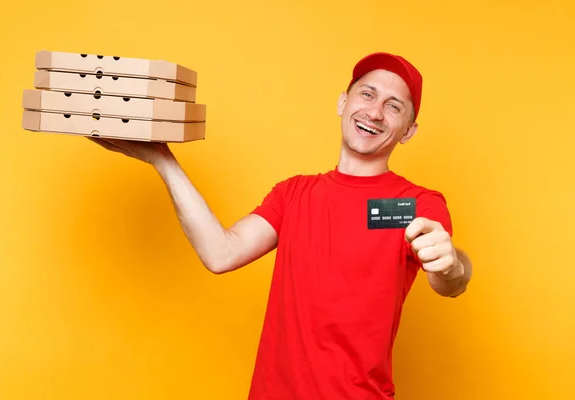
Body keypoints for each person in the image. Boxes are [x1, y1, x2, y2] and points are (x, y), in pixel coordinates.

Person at [88, 52, 473, 399]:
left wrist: (452, 264)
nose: (375, 112)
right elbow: (220, 253)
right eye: (367, 94)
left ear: (408, 130)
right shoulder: (294, 194)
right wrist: (163, 160)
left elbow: (450, 278)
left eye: (394, 106)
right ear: (343, 102)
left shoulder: (414, 204)